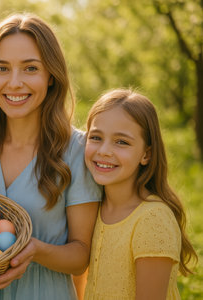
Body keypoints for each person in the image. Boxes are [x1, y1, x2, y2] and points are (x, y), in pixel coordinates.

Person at [0, 13, 102, 299]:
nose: (14, 83)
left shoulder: (76, 151)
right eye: (2, 68)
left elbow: (81, 256)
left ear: (51, 75)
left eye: (30, 68)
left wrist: (34, 250)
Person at [83, 89, 198, 299]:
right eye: (96, 137)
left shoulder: (152, 220)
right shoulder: (94, 208)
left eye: (121, 142)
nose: (104, 151)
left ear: (147, 154)